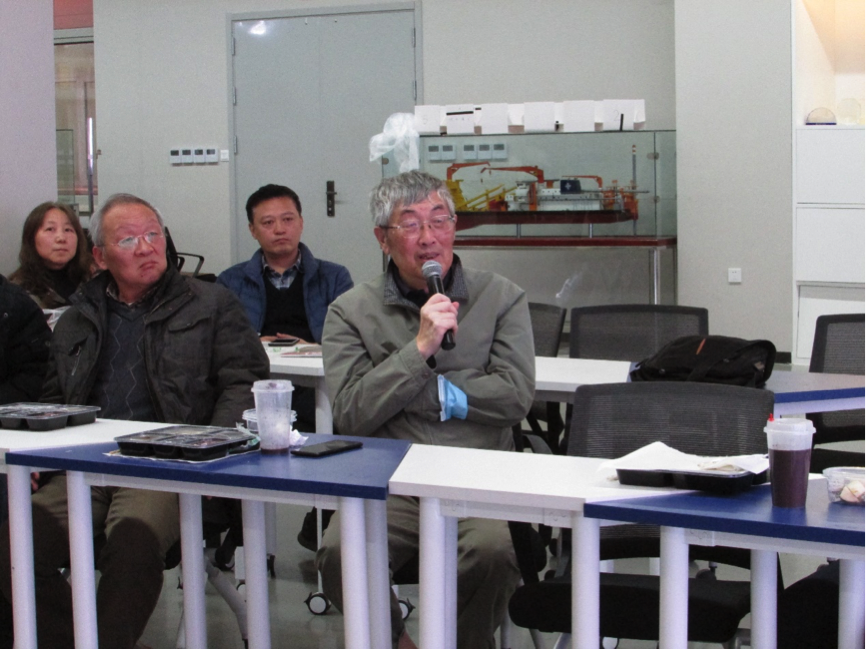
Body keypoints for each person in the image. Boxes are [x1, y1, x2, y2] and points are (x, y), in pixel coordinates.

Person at [0, 193, 270, 649]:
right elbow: (53, 399)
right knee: (15, 543)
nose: (146, 247)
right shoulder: (78, 318)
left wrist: (212, 449)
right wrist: (37, 459)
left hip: (166, 468)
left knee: (131, 544)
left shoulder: (211, 304)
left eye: (153, 235)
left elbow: (244, 383)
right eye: (128, 240)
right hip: (85, 465)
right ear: (101, 257)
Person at [315, 171, 536, 648]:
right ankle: (397, 641)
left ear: (454, 227)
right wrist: (418, 351)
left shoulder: (501, 296)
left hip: (477, 473)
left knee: (492, 552)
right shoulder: (350, 311)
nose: (429, 237)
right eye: (411, 224)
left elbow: (515, 396)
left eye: (440, 220)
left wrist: (420, 390)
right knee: (338, 553)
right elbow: (351, 412)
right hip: (392, 477)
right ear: (383, 238)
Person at [217, 183, 353, 549]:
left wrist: (312, 347)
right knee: (230, 428)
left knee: (346, 429)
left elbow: (345, 340)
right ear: (252, 230)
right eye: (268, 222)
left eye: (288, 219)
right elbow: (223, 344)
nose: (280, 229)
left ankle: (323, 523)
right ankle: (242, 535)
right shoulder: (230, 281)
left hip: (315, 387)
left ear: (301, 223)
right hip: (254, 390)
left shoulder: (334, 277)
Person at [9, 202, 92, 310]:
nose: (61, 238)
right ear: (31, 238)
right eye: (50, 229)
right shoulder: (17, 292)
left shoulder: (93, 280)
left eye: (68, 230)